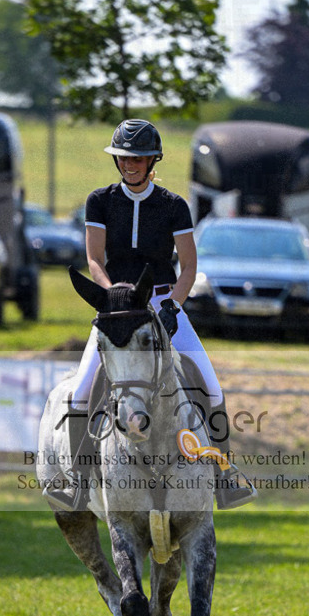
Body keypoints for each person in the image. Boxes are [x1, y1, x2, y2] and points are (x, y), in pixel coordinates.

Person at [47, 117, 256, 512]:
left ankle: (225, 478)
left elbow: (189, 268)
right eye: (124, 158)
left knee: (210, 386)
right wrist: (113, 298)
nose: (130, 164)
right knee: (80, 392)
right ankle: (78, 479)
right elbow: (94, 258)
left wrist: (174, 305)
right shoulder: (100, 201)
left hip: (163, 303)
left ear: (152, 160)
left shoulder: (174, 206)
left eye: (138, 158)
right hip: (118, 309)